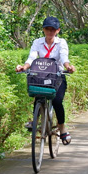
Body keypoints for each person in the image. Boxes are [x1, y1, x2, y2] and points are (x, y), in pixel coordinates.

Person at [16, 16, 75, 144]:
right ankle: (36, 120)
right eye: (47, 29)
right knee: (38, 93)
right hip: (41, 76)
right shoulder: (37, 42)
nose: (50, 32)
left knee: (57, 101)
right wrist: (24, 67)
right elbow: (32, 57)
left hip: (57, 76)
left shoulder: (61, 43)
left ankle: (62, 127)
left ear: (57, 30)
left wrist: (68, 67)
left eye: (52, 29)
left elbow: (64, 56)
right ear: (43, 30)